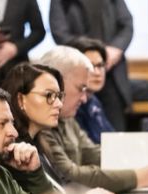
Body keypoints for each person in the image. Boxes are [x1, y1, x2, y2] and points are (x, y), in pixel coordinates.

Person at [36, 46, 148, 193]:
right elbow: (69, 175)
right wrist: (138, 177)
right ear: (55, 83)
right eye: (80, 89)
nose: (84, 99)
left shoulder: (67, 118)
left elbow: (97, 153)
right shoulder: (40, 124)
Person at [1, 62, 134, 194]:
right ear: (21, 100)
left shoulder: (38, 141)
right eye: (49, 95)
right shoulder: (15, 151)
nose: (58, 104)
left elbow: (59, 189)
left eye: (59, 96)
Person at [49, 0, 134, 131]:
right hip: (77, 71)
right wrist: (86, 53)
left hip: (112, 75)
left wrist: (114, 49)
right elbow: (59, 32)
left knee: (113, 131)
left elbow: (126, 24)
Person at [67, 36, 116, 144]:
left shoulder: (94, 101)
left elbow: (113, 141)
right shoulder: (70, 106)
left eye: (100, 65)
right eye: (90, 66)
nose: (97, 73)